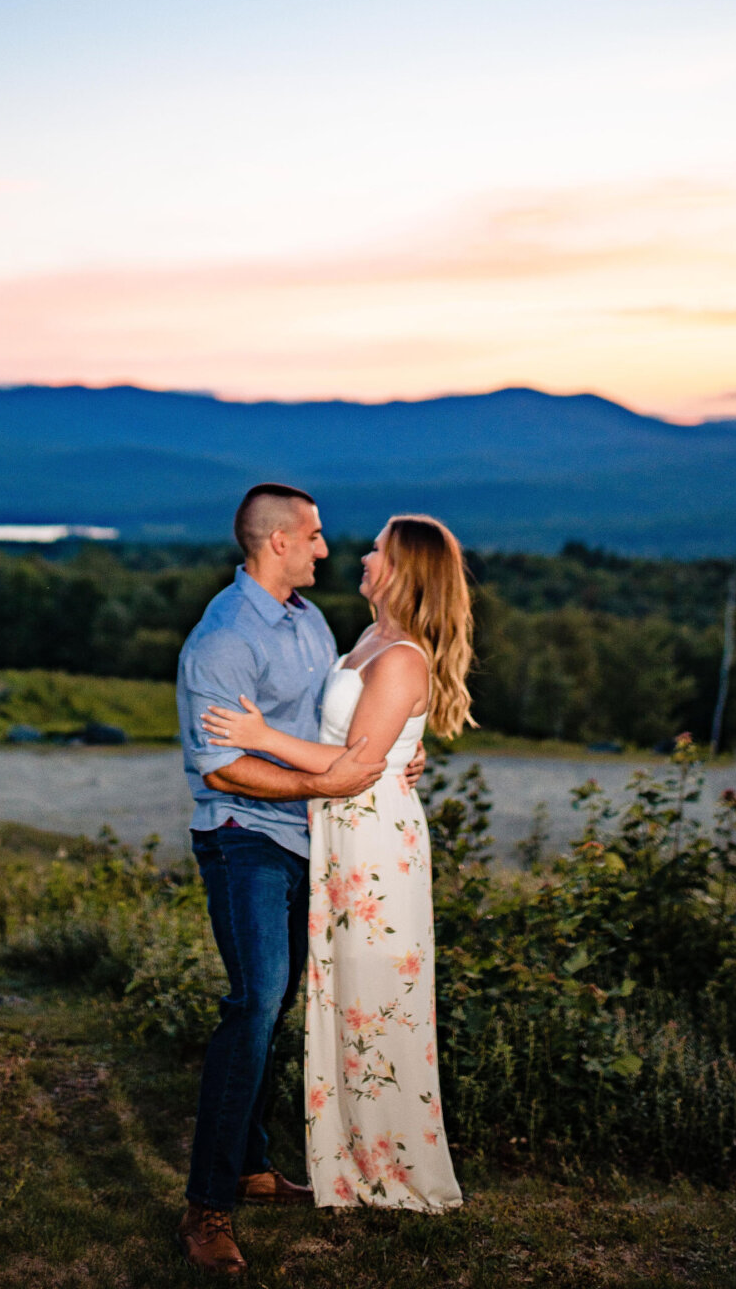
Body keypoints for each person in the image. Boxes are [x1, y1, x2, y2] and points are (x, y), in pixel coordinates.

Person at [175, 484, 428, 1276]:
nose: (327, 549)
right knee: (251, 1005)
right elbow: (226, 769)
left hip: (312, 843)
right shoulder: (220, 640)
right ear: (278, 542)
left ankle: (250, 1166)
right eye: (314, 537)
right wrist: (334, 784)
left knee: (276, 1003)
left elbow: (346, 727)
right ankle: (206, 1207)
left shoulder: (311, 621)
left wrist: (392, 757)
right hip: (245, 839)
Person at [202, 514, 473, 1213]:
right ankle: (353, 1161)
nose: (361, 554)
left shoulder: (402, 654)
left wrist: (260, 737)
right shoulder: (364, 637)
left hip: (373, 848)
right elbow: (364, 743)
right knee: (345, 1001)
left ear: (404, 569)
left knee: (378, 1002)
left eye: (377, 550)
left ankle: (393, 1171)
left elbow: (358, 761)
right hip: (338, 834)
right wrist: (396, 753)